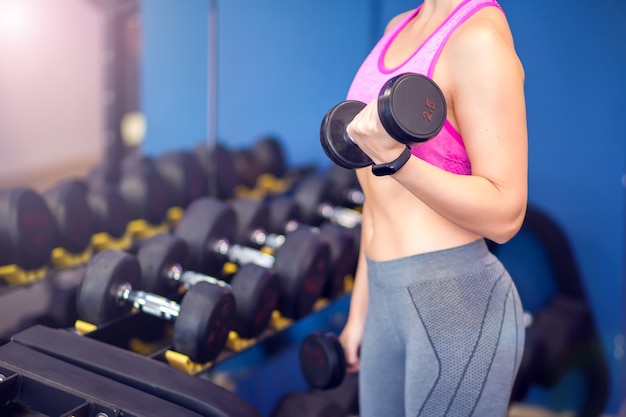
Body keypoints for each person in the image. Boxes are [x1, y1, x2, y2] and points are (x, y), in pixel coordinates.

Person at [337, 0, 528, 416]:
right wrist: (360, 311)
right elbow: (376, 196)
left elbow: (506, 214)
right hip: (384, 298)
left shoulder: (478, 39)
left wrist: (398, 161)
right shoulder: (397, 27)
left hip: (457, 303)